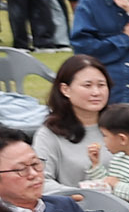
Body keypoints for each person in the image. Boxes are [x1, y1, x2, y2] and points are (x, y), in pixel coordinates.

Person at [36, 54, 109, 187]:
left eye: (101, 85)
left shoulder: (125, 122)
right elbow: (40, 181)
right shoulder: (49, 134)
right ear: (65, 90)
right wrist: (78, 196)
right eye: (87, 85)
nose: (96, 92)